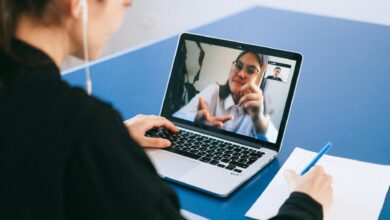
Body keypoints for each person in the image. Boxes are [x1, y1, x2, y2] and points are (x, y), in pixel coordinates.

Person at [0, 0, 333, 219]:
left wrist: (113, 140)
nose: (121, 17)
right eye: (124, 4)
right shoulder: (85, 126)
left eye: (251, 71)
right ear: (77, 5)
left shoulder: (261, 108)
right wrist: (304, 205)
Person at [174, 51, 278, 142]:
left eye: (251, 70)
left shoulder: (259, 112)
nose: (241, 74)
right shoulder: (213, 91)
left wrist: (258, 119)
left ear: (262, 80)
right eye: (238, 66)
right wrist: (196, 119)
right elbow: (176, 117)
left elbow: (274, 145)